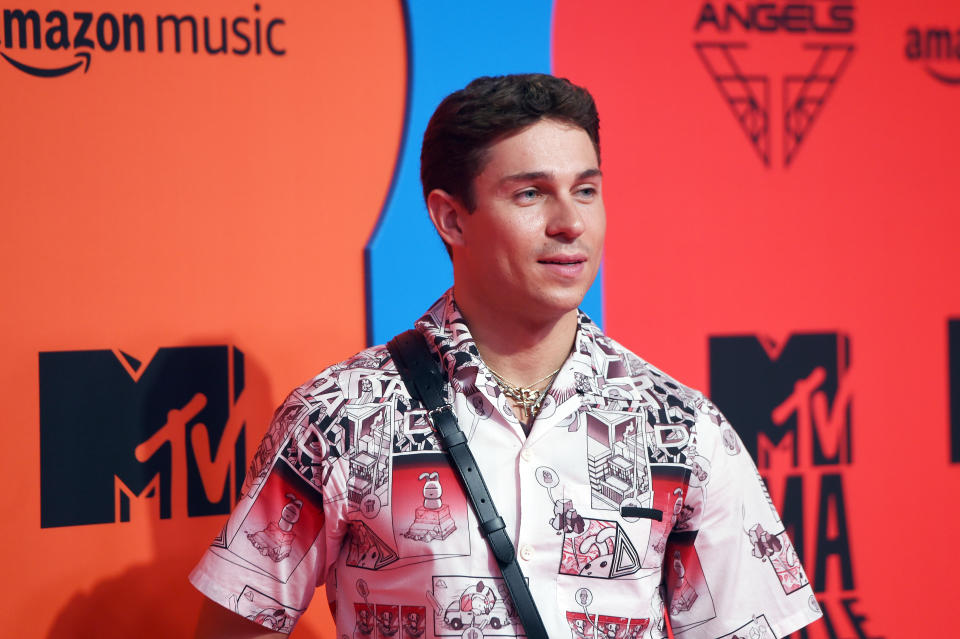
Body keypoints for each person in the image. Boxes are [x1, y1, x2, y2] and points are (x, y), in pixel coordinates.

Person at [191, 74, 822, 639]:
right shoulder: (337, 417)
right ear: (451, 219)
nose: (570, 223)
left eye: (586, 190)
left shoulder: (682, 428)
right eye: (530, 194)